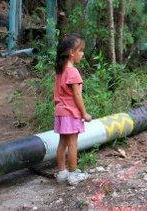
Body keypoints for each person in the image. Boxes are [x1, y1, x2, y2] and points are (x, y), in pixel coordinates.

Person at [54, 33, 92, 185]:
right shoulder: (73, 72)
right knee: (73, 144)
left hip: (60, 112)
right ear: (71, 53)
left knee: (62, 143)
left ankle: (62, 173)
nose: (82, 54)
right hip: (71, 113)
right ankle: (73, 174)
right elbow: (77, 95)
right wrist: (84, 113)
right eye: (81, 50)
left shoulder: (61, 70)